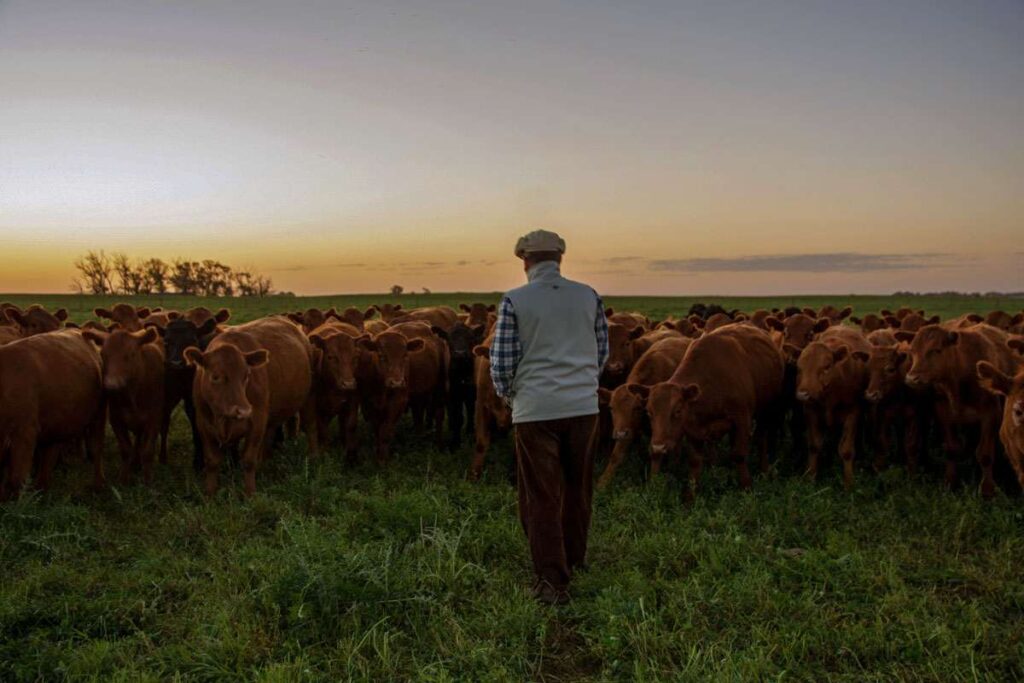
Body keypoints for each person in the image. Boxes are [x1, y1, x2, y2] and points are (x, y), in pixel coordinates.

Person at [490, 229, 609, 605]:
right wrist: (581, 385)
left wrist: (512, 398)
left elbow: (502, 362)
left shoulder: (514, 300)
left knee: (541, 494)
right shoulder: (588, 295)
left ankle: (551, 580)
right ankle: (575, 559)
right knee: (578, 486)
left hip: (536, 411)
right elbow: (601, 350)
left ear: (524, 260)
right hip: (583, 408)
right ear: (559, 259)